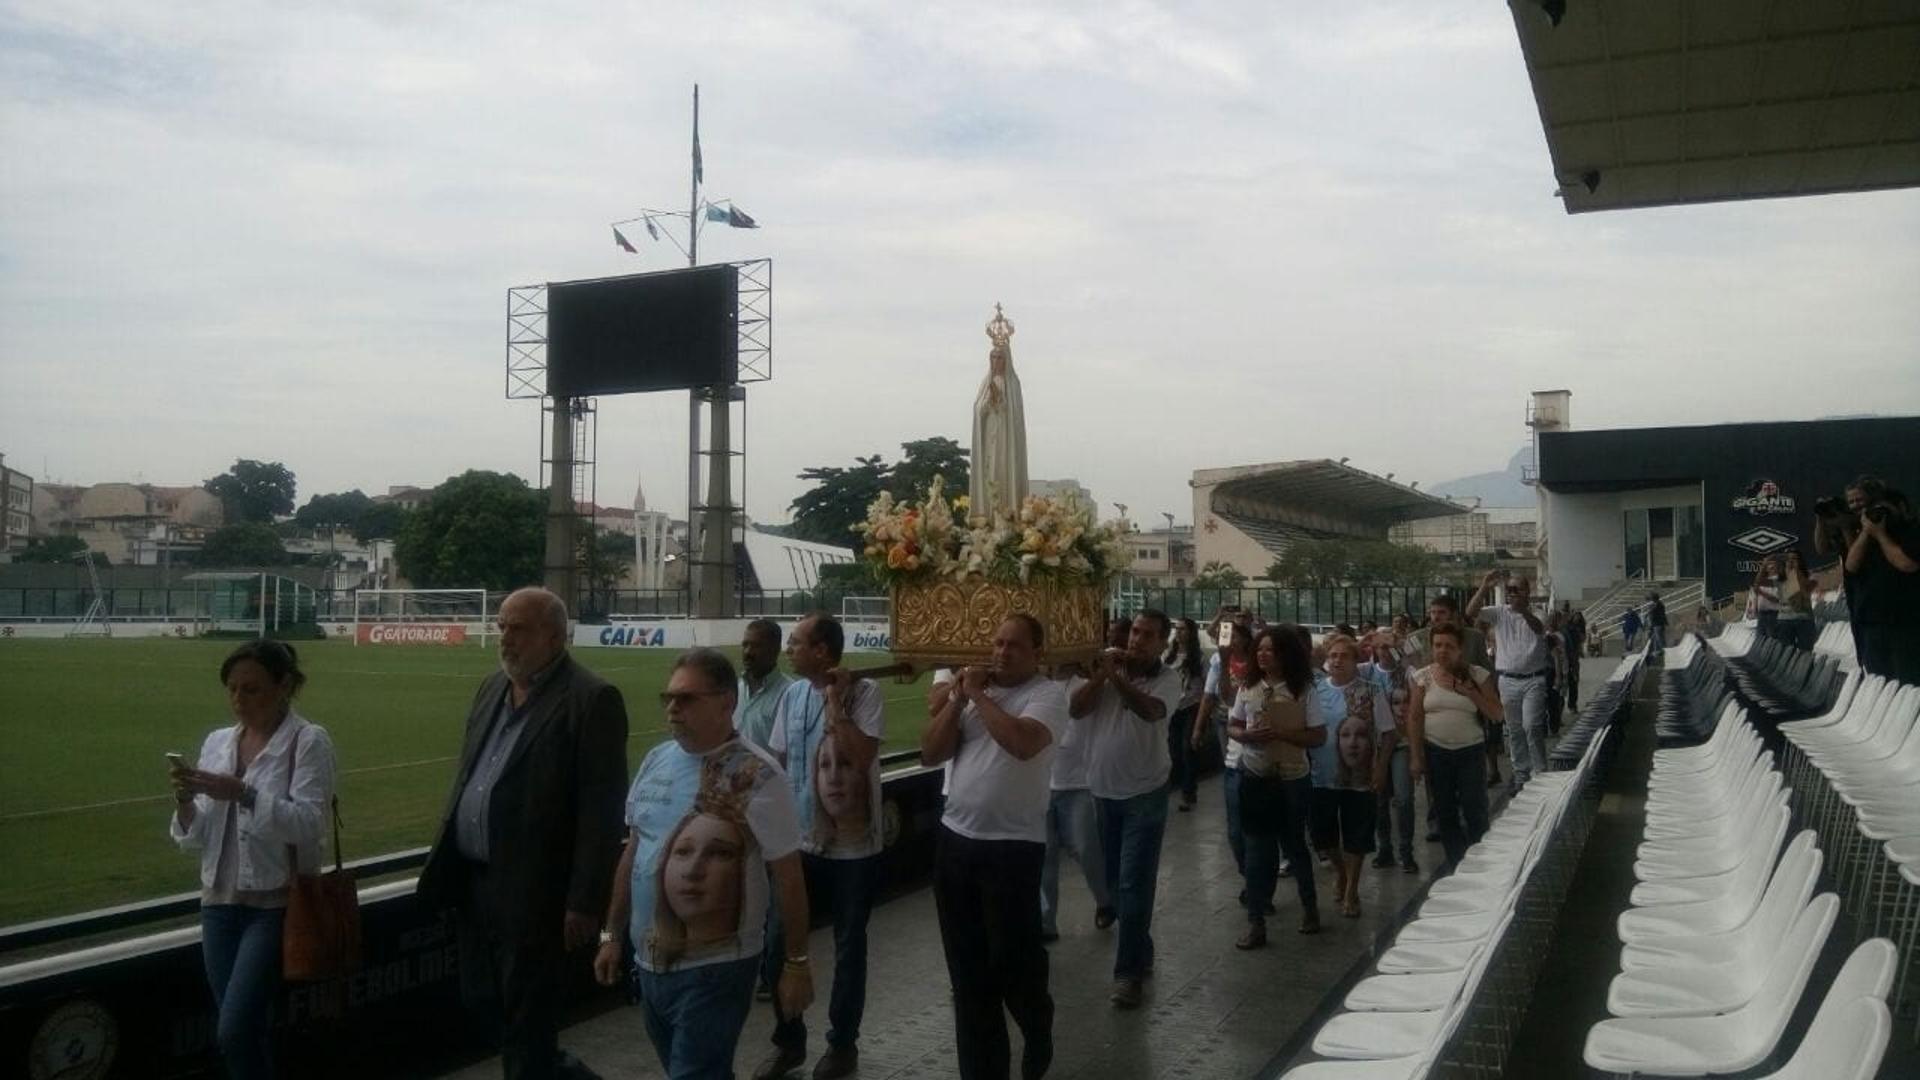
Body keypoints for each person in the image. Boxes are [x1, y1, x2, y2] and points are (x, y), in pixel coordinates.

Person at [415, 588, 629, 1080]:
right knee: (483, 1003)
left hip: (536, 891)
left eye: (519, 628)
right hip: (474, 884)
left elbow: (602, 810)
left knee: (527, 1024)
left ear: (554, 636)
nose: (505, 637)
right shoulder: (492, 687)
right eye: (502, 626)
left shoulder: (591, 699)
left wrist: (583, 901)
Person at [595, 649, 813, 1079]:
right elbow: (634, 851)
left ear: (726, 702)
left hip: (717, 969)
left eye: (687, 698)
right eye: (669, 698)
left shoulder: (760, 775)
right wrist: (610, 935)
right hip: (650, 964)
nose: (673, 708)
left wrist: (796, 964)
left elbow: (789, 877)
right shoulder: (656, 760)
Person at [169, 640, 336, 1080]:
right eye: (232, 689)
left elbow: (309, 824)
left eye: (252, 689)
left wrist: (243, 793)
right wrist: (187, 802)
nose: (239, 700)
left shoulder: (307, 742)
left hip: (275, 906)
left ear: (283, 686)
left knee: (235, 1029)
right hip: (218, 905)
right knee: (244, 1030)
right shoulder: (219, 742)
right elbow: (199, 835)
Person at [922, 614, 1068, 1080]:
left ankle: (1036, 1019)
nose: (1002, 653)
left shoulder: (1047, 695)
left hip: (1013, 848)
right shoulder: (967, 696)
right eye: (998, 643)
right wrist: (958, 699)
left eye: (1014, 647)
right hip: (956, 842)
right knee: (968, 975)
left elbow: (1022, 744)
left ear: (1037, 654)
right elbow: (931, 752)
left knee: (1011, 961)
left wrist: (980, 695)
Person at [757, 614, 885, 1080]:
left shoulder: (866, 693)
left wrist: (836, 702)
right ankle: (788, 1041)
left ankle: (842, 1043)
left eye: (796, 643)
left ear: (823, 652)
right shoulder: (791, 695)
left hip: (854, 848)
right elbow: (780, 763)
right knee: (777, 944)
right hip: (799, 843)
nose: (789, 650)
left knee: (850, 945)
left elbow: (861, 755)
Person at [1070, 610, 1181, 1010]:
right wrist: (1103, 674)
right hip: (1103, 791)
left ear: (1163, 643)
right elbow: (1077, 710)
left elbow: (1150, 711)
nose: (1137, 640)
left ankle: (1127, 974)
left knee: (1134, 883)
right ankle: (1141, 948)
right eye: (1135, 632)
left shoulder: (1168, 679)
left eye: (1149, 635)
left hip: (1145, 794)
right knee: (1116, 882)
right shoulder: (1100, 672)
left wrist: (1115, 676)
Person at [1227, 625, 1324, 945]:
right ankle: (1256, 920)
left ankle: (1310, 908)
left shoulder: (1302, 689)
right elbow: (1234, 726)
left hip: (1291, 778)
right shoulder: (1248, 687)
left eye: (1270, 649)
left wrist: (1283, 735)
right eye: (1259, 650)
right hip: (1255, 777)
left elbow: (1318, 735)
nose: (1263, 655)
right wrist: (1246, 736)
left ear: (1285, 654)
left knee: (1295, 845)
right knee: (1256, 849)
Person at [1309, 637, 1394, 919]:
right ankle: (1340, 871)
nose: (1337, 660)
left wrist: (1380, 767)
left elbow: (1388, 732)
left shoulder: (1370, 691)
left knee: (1357, 834)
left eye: (1344, 656)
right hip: (1321, 776)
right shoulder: (1316, 691)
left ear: (1355, 660)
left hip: (1360, 778)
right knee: (1323, 835)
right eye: (1333, 655)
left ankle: (1351, 890)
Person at [1407, 626, 1503, 872]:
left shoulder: (1478, 675)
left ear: (1460, 649)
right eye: (1438, 645)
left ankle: (1480, 863)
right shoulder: (1422, 677)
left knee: (1475, 809)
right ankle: (1457, 865)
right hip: (1436, 753)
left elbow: (1496, 714)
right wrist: (1416, 758)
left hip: (1470, 752)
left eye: (1449, 646)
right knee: (1445, 812)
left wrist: (1470, 692)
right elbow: (1415, 718)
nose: (1442, 651)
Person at [1041, 663, 1113, 941]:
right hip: (1043, 782)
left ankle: (1104, 900)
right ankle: (1046, 921)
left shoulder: (1084, 683)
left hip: (1079, 783)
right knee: (1045, 855)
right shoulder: (1037, 684)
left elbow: (1079, 709)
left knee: (1085, 847)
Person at [1466, 572, 1550, 789]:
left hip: (1533, 680)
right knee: (1515, 730)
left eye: (1517, 590)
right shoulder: (1500, 613)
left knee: (1531, 726)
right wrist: (1484, 586)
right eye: (1509, 590)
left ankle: (1540, 772)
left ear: (1527, 592)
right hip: (1508, 680)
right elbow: (1470, 611)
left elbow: (1539, 629)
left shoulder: (1538, 614)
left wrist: (1523, 612)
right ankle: (1521, 774)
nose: (1512, 594)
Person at [1193, 613, 1255, 878]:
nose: (1229, 639)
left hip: (1258, 736)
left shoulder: (1257, 662)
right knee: (1232, 771)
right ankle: (1246, 870)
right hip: (1228, 724)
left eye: (1235, 634)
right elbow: (1220, 697)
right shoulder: (1220, 660)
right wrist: (1198, 726)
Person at [1844, 477, 1920, 682]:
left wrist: (1880, 535)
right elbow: (1851, 566)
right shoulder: (1864, 535)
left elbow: (1907, 564)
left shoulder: (1911, 530)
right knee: (1879, 685)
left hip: (1906, 623)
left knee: (1909, 686)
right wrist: (1867, 532)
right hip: (1872, 623)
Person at [1361, 634, 1416, 875]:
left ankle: (1406, 851)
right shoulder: (1366, 671)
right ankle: (1385, 849)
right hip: (1376, 745)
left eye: (1390, 646)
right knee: (1379, 800)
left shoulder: (1407, 672)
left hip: (1402, 742)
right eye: (1380, 646)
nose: (1385, 651)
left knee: (1404, 798)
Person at [970, 304, 1029, 518]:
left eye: (999, 357)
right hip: (989, 439)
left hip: (1006, 441)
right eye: (992, 357)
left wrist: (1000, 402)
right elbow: (978, 411)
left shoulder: (1013, 384)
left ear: (1007, 359)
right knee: (989, 475)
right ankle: (986, 515)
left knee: (1004, 474)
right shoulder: (985, 384)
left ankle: (1009, 514)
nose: (996, 361)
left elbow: (1014, 416)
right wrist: (988, 403)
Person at [1163, 618, 1205, 812]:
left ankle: (1188, 793)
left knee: (1188, 749)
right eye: (1176, 629)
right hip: (1172, 707)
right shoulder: (1168, 655)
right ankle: (1177, 786)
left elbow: (1205, 687)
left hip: (1191, 706)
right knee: (1174, 751)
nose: (1178, 633)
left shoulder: (1199, 657)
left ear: (1191, 632)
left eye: (1182, 629)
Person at [734, 619, 794, 752]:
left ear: (775, 650)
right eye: (745, 645)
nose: (748, 652)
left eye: (757, 646)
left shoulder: (790, 694)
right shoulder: (737, 689)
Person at [1646, 592, 1668, 660]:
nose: (1650, 600)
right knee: (1656, 638)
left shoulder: (1657, 605)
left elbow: (1653, 615)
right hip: (1658, 624)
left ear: (1653, 599)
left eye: (1651, 598)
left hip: (1658, 624)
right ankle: (1657, 651)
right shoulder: (1658, 604)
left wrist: (1649, 612)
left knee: (1659, 638)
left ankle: (1663, 651)